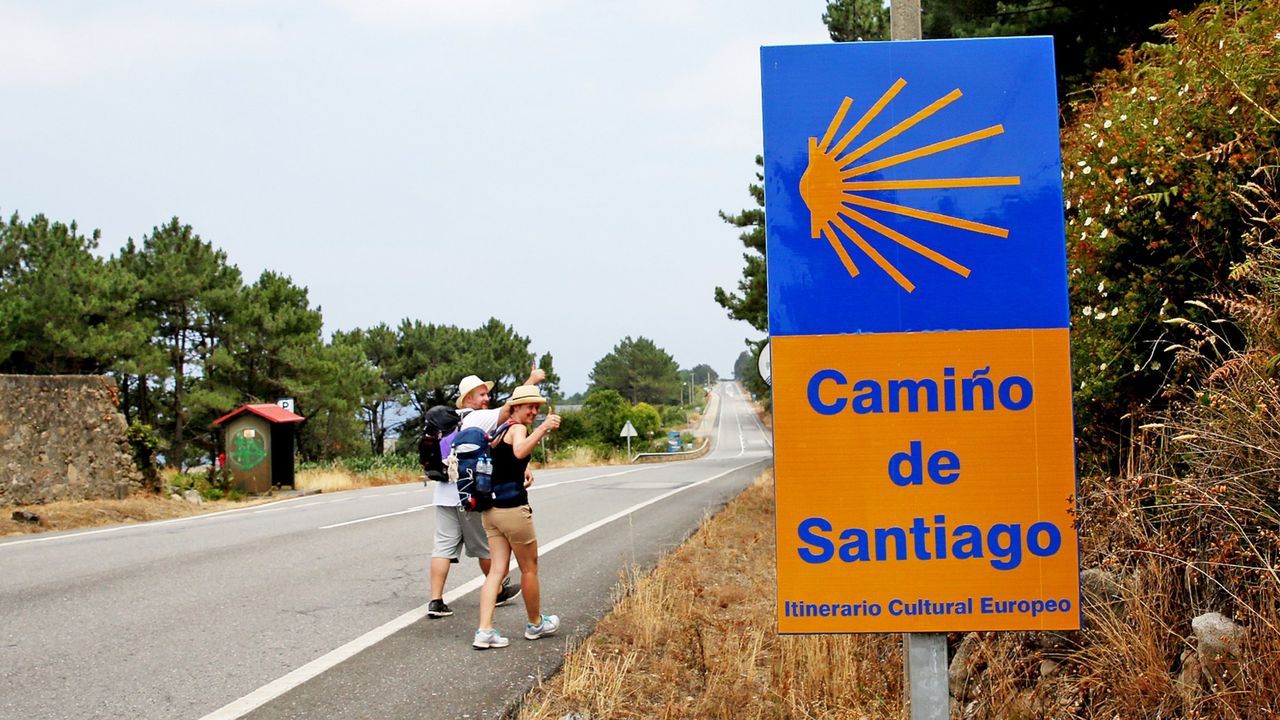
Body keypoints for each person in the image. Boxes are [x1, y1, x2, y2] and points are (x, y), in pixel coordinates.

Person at [427, 368, 545, 618]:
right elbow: (513, 407)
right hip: (468, 494)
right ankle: (498, 590)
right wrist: (531, 381)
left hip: (443, 493)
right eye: (481, 394)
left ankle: (436, 600)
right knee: (486, 548)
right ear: (468, 398)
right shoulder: (478, 418)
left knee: (442, 548)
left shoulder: (448, 421)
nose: (486, 398)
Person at [472, 384, 561, 649]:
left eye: (537, 407)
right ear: (516, 407)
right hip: (513, 511)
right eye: (529, 407)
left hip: (491, 512)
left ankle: (484, 630)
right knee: (529, 568)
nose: (534, 411)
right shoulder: (518, 428)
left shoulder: (499, 431)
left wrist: (525, 469)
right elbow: (520, 451)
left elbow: (510, 460)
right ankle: (536, 624)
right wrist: (544, 428)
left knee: (496, 571)